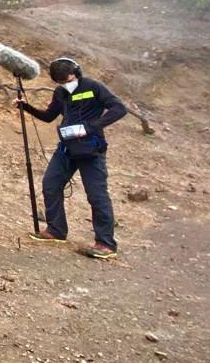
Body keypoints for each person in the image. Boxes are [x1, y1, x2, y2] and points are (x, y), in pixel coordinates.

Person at [15, 57, 127, 259]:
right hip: (66, 149)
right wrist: (26, 107)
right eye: (62, 82)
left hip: (91, 150)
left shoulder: (93, 87)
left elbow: (119, 109)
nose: (67, 85)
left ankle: (106, 243)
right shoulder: (60, 92)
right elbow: (49, 116)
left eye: (69, 80)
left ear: (77, 72)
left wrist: (91, 127)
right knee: (51, 184)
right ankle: (56, 230)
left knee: (96, 195)